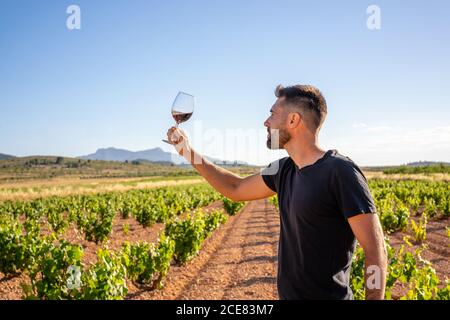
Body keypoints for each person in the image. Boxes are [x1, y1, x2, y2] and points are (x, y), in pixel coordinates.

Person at [166, 84, 387, 300]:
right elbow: (235, 188)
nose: (266, 121)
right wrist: (187, 151)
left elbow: (375, 250)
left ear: (293, 120)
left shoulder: (341, 172)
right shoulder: (282, 169)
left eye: (272, 113)